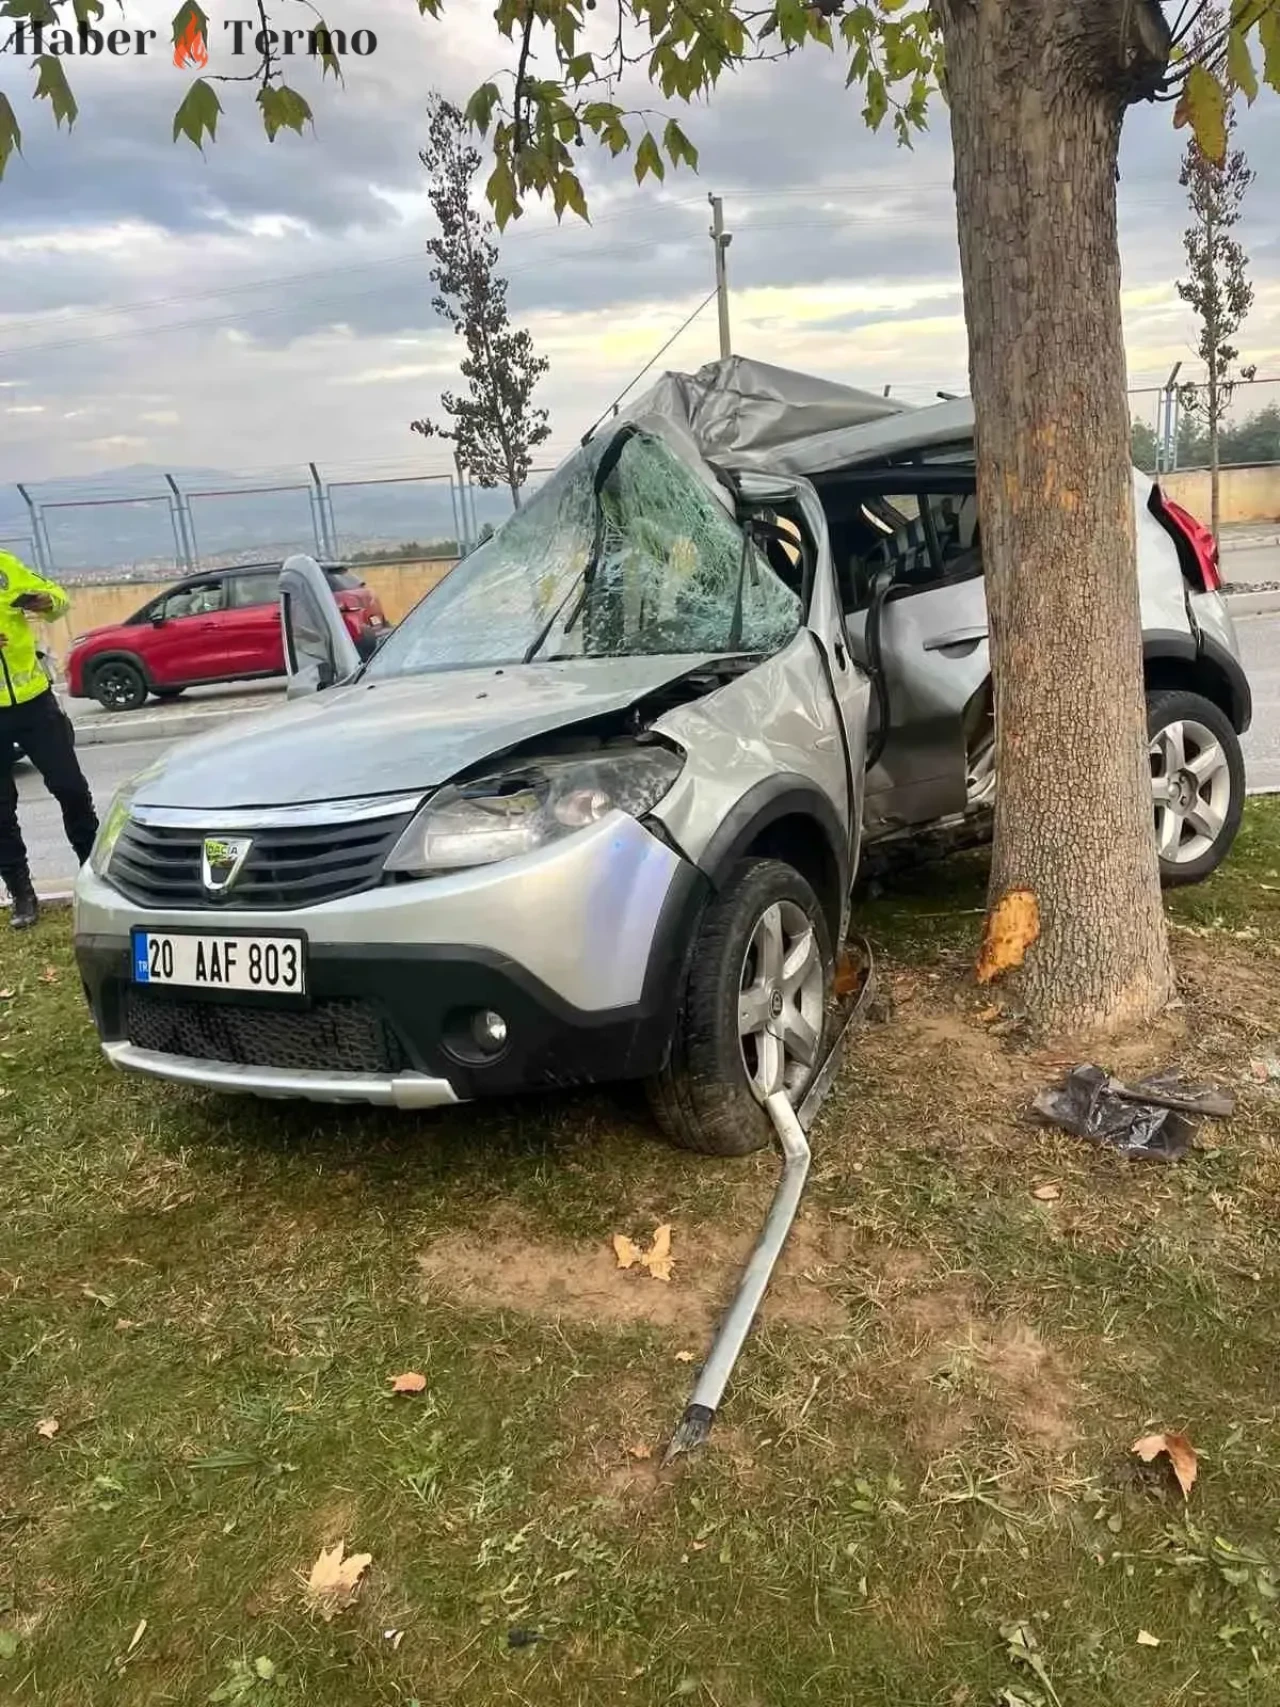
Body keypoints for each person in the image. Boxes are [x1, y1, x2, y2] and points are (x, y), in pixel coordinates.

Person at [0, 552, 98, 930]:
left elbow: (58, 599)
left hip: (35, 705)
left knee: (71, 789)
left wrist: (44, 602)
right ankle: (22, 893)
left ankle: (93, 874)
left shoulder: (6, 566)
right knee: (0, 811)